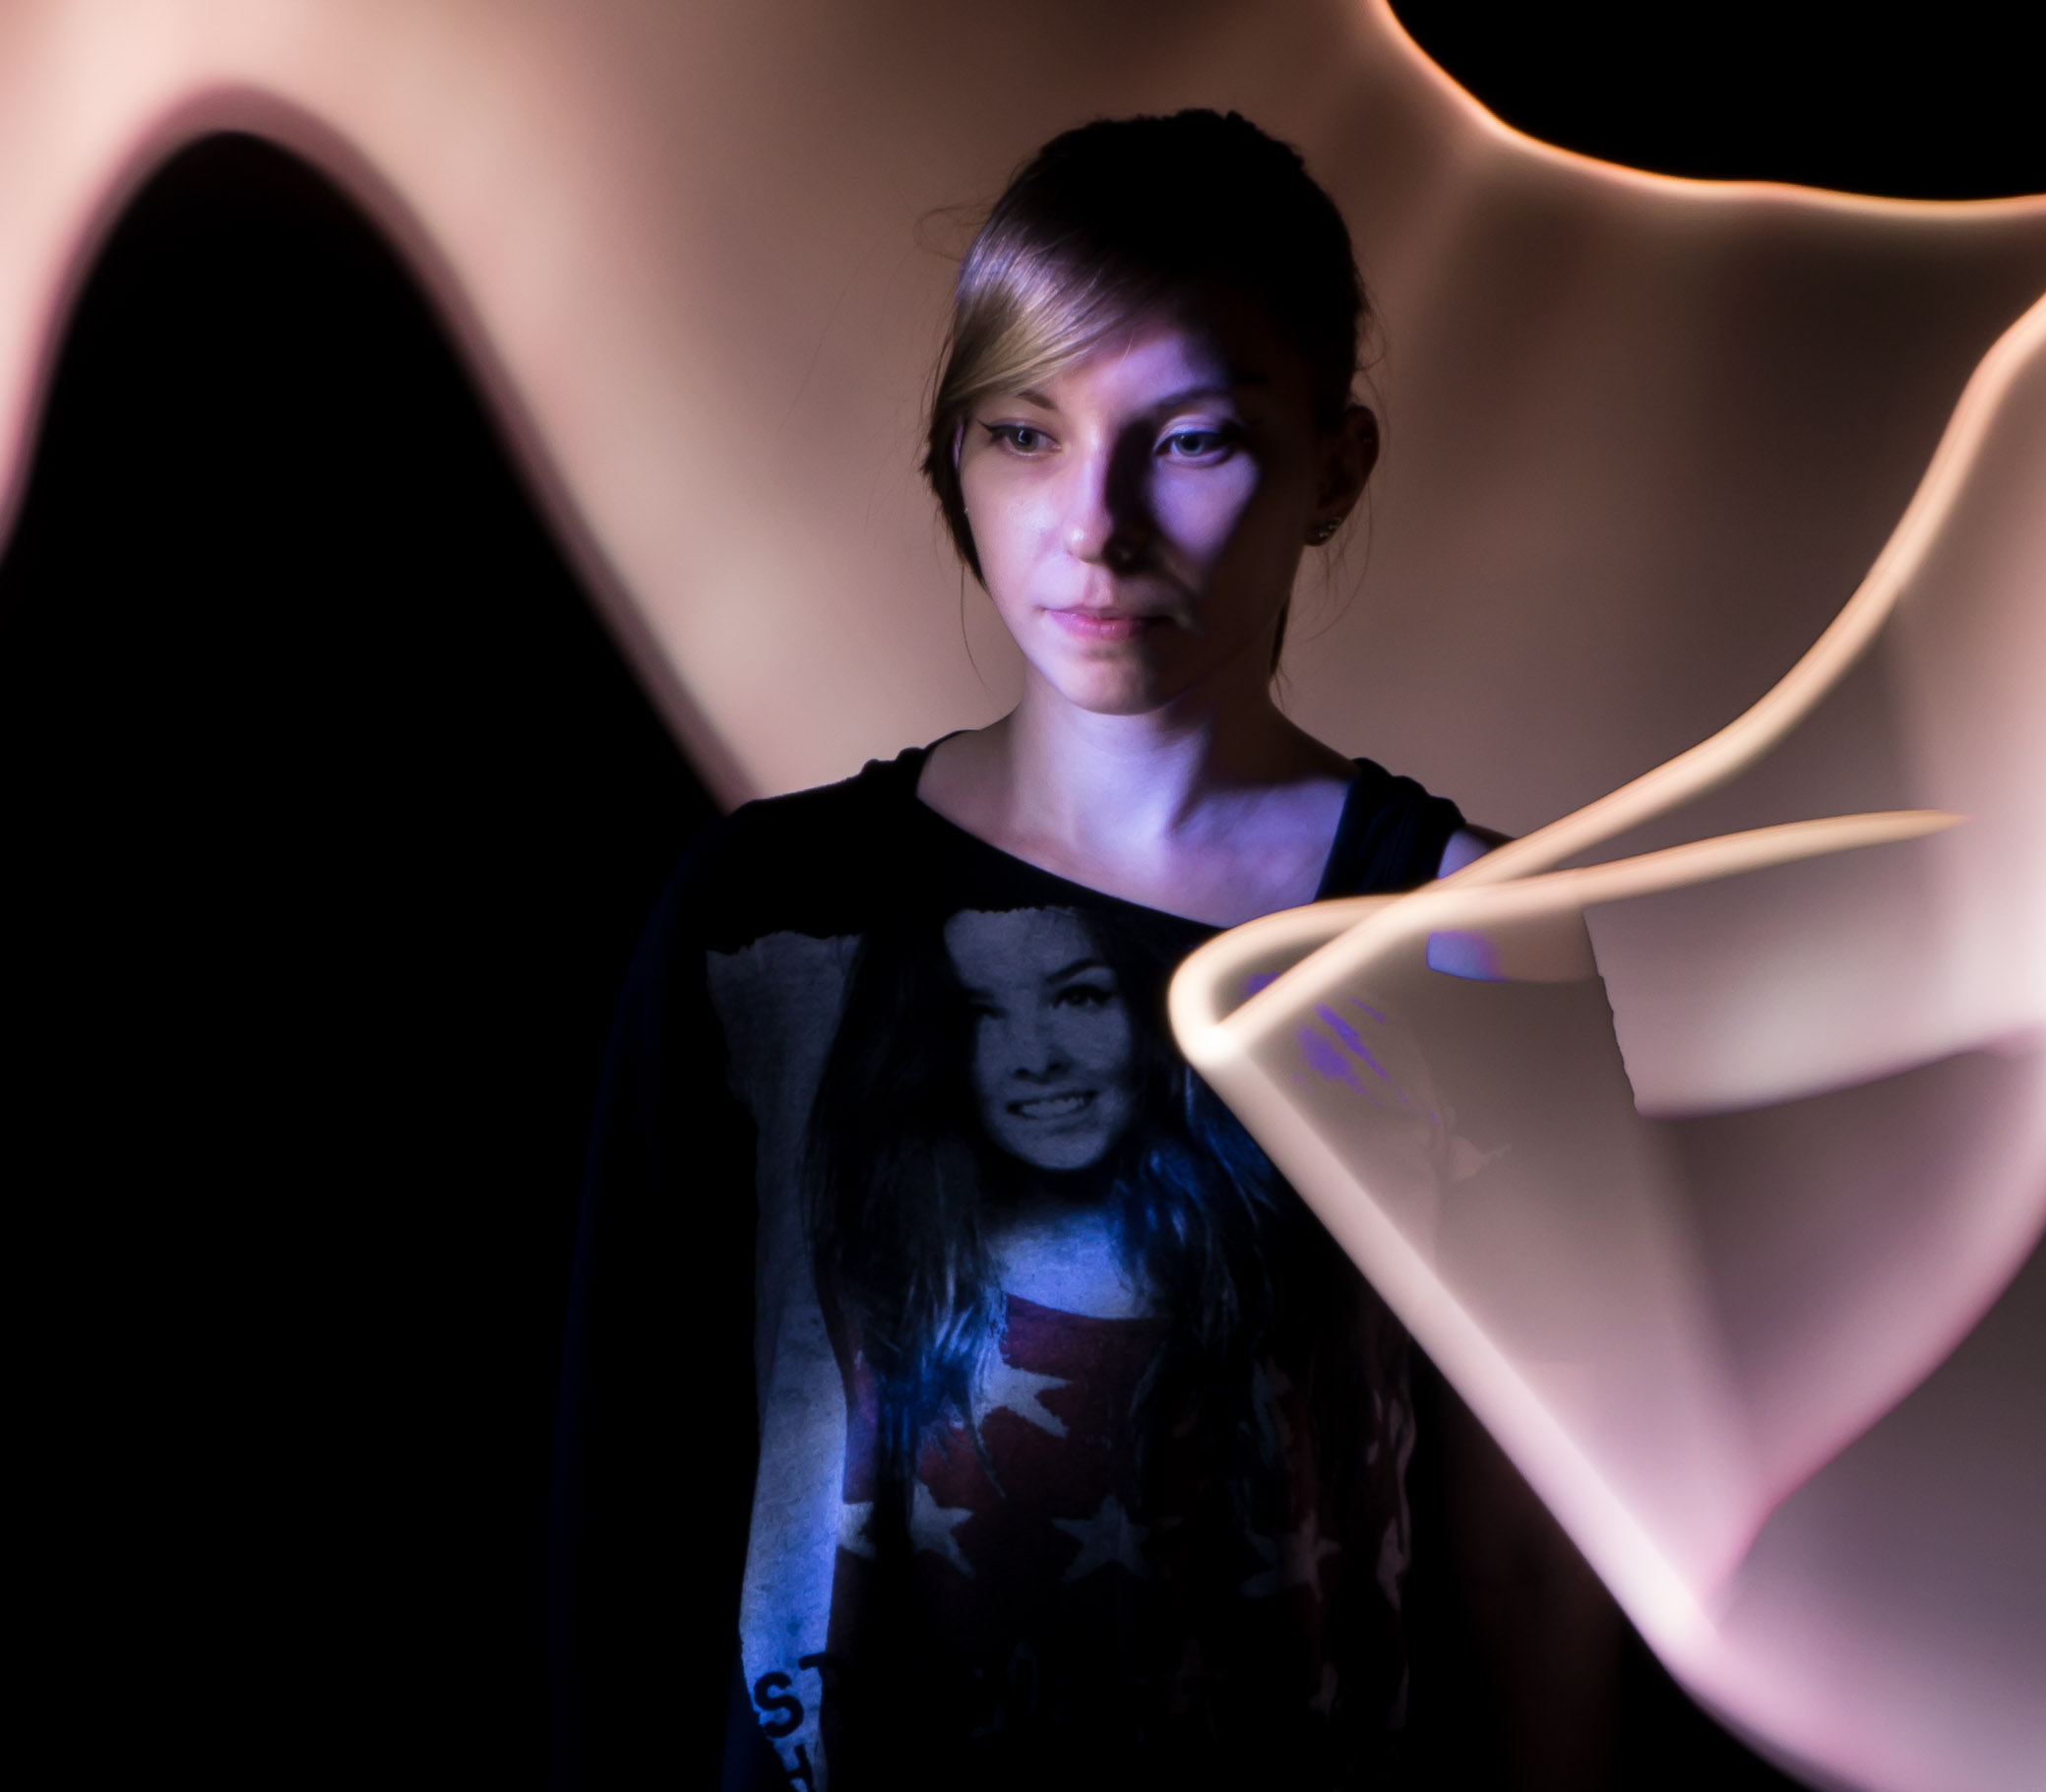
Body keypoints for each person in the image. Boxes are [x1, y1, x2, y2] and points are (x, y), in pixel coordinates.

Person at [550, 109, 1612, 1792]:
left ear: (1337, 463)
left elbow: (1537, 1558)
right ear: (952, 452)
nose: (1096, 522)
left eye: (1191, 438)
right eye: (1026, 431)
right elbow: (630, 1482)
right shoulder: (766, 913)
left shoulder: (1463, 937)